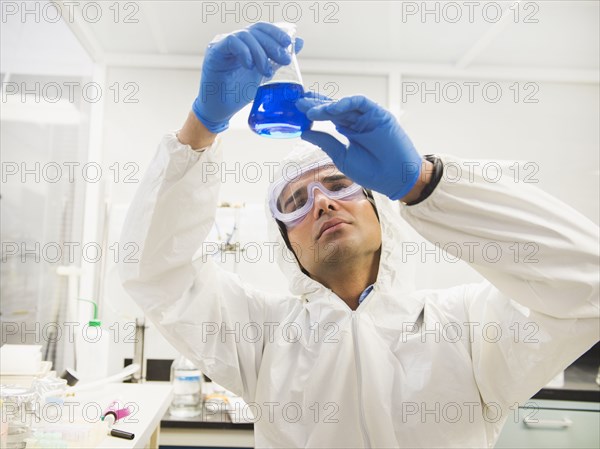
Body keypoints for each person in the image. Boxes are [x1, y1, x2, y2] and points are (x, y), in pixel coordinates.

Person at [119, 23, 599, 448]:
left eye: (338, 185)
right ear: (291, 251)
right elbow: (156, 271)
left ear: (379, 211)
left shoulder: (467, 327)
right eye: (295, 203)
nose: (323, 203)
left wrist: (422, 182)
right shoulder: (264, 338)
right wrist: (200, 126)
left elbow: (588, 286)